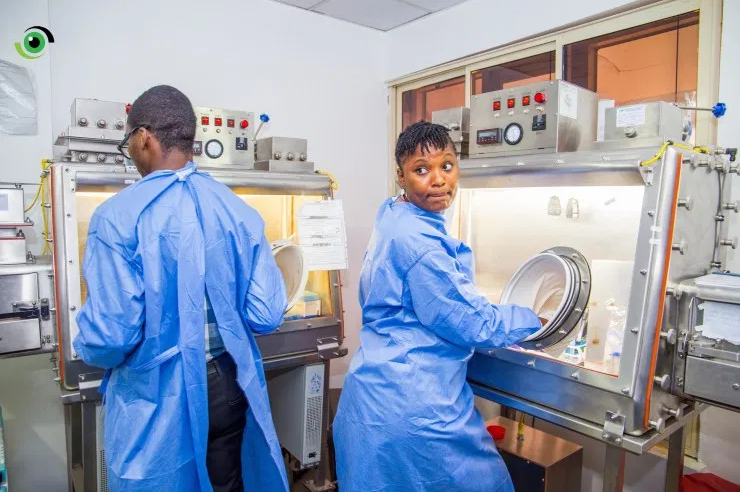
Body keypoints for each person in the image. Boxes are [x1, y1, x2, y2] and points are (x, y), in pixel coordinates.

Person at [73, 85, 289, 492]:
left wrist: (83, 341)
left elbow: (111, 338)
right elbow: (266, 313)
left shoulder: (116, 216)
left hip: (156, 396)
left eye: (129, 141)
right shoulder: (236, 208)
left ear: (143, 137)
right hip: (226, 385)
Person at [333, 121, 542, 492]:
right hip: (413, 407)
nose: (438, 180)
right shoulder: (421, 244)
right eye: (421, 170)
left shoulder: (394, 213)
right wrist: (534, 319)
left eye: (446, 165)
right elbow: (473, 323)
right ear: (400, 176)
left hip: (373, 396)